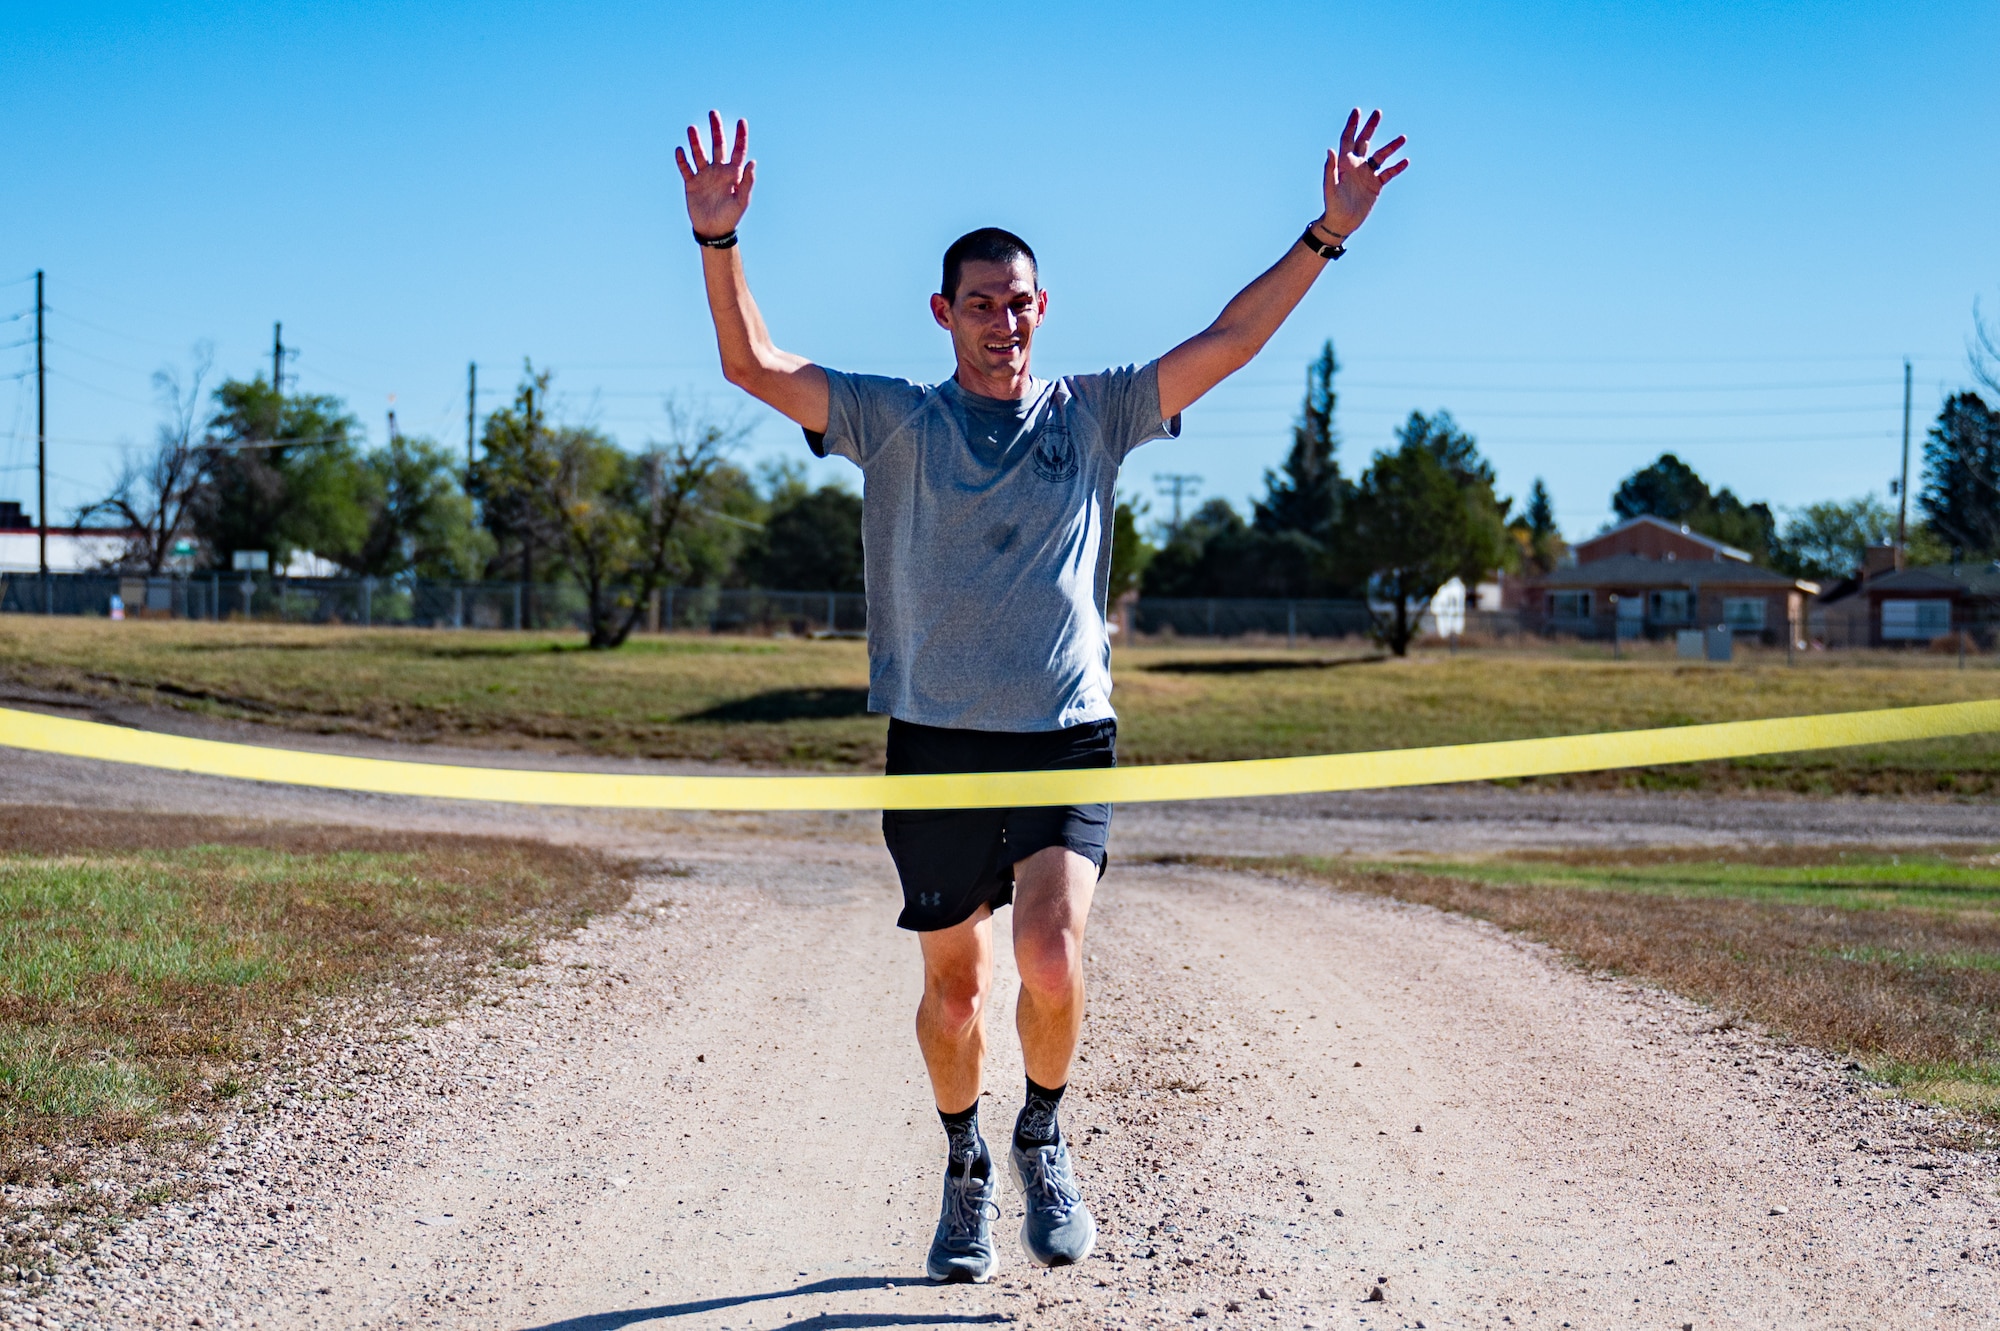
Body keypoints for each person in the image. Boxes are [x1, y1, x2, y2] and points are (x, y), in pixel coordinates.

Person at [676, 108, 1408, 1282]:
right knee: (956, 993)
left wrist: (1325, 233)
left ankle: (1042, 1129)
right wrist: (720, 245)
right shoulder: (895, 420)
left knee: (1052, 958)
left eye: (1019, 300)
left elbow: (1229, 339)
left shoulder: (1093, 412)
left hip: (1065, 736)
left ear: (1040, 308)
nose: (1002, 321)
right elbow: (750, 364)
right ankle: (964, 1161)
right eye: (979, 301)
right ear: (943, 313)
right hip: (935, 744)